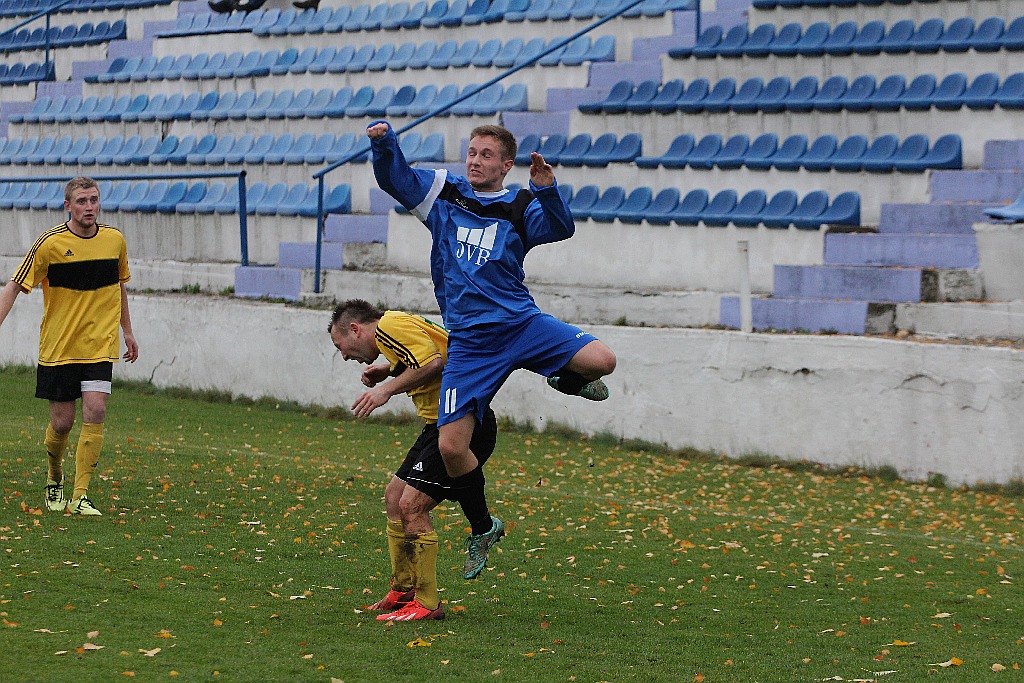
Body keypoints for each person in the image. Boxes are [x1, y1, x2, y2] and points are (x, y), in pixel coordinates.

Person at [367, 121, 616, 496]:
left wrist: (546, 191)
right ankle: (483, 527)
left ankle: (566, 380)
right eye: (471, 153)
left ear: (505, 166)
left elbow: (561, 227)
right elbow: (395, 179)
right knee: (451, 447)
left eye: (486, 155)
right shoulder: (443, 193)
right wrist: (385, 143)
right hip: (471, 340)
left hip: (520, 323)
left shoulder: (520, 205)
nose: (475, 161)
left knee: (603, 361)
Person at [328, 299, 504, 621]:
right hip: (438, 424)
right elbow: (430, 351)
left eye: (342, 347)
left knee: (412, 506)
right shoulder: (393, 328)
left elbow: (432, 363)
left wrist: (386, 391)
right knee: (394, 497)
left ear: (355, 330)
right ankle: (403, 589)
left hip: (461, 423)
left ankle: (427, 603)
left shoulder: (388, 327)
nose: (345, 356)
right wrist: (388, 369)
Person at [0, 177, 139, 517]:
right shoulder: (49, 244)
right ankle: (54, 475)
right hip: (60, 347)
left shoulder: (114, 241)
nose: (89, 206)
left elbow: (119, 286)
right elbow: (15, 286)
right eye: (81, 201)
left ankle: (80, 496)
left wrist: (128, 332)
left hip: (99, 346)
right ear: (68, 206)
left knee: (96, 410)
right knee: (62, 423)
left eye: (93, 200)